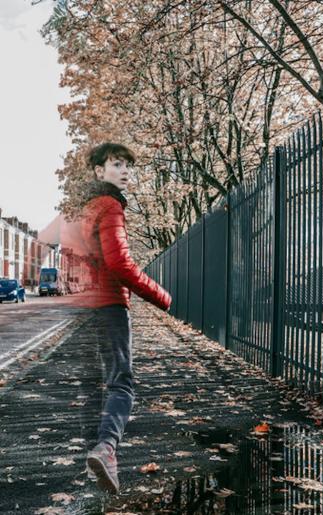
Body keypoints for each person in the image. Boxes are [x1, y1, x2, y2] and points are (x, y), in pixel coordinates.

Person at [75, 142, 171, 494]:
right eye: (117, 164)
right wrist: (161, 295)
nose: (126, 171)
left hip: (88, 306)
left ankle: (98, 454)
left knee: (103, 382)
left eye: (128, 165)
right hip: (109, 305)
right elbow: (121, 265)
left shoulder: (87, 210)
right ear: (99, 171)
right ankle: (106, 450)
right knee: (122, 383)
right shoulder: (110, 206)